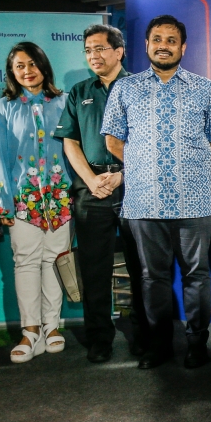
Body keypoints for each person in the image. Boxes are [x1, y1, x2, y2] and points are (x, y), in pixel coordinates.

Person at [102, 15, 211, 370]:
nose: (164, 45)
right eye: (157, 39)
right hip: (143, 200)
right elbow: (112, 140)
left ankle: (197, 344)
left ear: (183, 47)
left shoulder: (205, 88)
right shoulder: (126, 88)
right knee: (152, 277)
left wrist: (188, 167)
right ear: (146, 45)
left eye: (172, 40)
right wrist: (145, 166)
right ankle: (159, 345)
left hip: (195, 200)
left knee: (196, 275)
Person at [53, 24, 148, 364]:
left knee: (141, 267)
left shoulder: (143, 87)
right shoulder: (80, 92)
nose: (93, 55)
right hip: (90, 189)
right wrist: (92, 181)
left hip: (135, 186)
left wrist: (123, 174)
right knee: (94, 268)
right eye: (88, 50)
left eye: (100, 48)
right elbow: (70, 141)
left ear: (119, 51)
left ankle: (144, 335)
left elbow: (150, 143)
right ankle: (99, 339)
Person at [0, 42, 72, 364]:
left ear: (43, 66)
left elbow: (73, 149)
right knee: (25, 263)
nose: (27, 70)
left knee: (55, 260)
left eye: (32, 64)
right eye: (20, 66)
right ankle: (30, 330)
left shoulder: (64, 102)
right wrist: (2, 202)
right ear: (12, 72)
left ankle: (52, 327)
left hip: (60, 198)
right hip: (22, 199)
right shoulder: (4, 107)